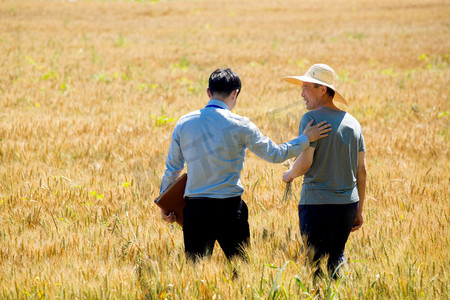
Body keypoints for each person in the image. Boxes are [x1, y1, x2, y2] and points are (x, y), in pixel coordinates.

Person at [160, 68, 331, 262]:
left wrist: (165, 205)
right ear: (235, 93)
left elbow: (172, 169)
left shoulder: (184, 123)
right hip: (229, 210)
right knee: (241, 271)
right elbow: (276, 154)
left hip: (195, 211)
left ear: (209, 92)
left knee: (195, 273)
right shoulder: (241, 125)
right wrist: (305, 139)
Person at [282, 63, 367, 277]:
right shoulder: (353, 122)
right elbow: (362, 170)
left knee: (316, 268)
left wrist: (289, 174)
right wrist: (360, 210)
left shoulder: (310, 119)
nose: (301, 94)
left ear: (322, 89)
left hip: (317, 205)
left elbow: (305, 163)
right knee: (337, 259)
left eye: (305, 87)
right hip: (348, 205)